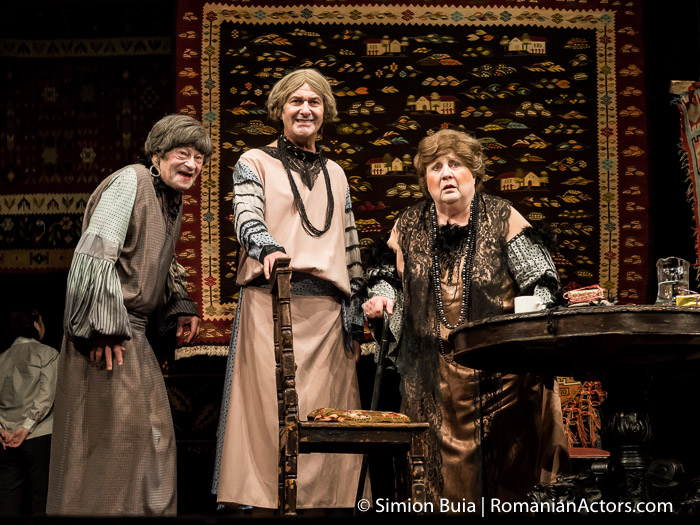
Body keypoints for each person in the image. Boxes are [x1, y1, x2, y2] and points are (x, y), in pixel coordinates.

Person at [363, 129, 570, 508]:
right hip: (429, 379)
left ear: (474, 173)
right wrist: (382, 299)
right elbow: (385, 278)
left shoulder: (502, 217)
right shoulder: (408, 225)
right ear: (425, 178)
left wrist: (531, 323)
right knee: (431, 484)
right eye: (435, 167)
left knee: (505, 482)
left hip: (502, 379)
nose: (446, 173)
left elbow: (542, 282)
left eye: (455, 164)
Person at [213, 69, 365, 510]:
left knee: (329, 420)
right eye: (296, 101)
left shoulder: (336, 173)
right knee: (267, 417)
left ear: (325, 112)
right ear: (279, 110)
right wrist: (268, 248)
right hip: (270, 304)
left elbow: (350, 244)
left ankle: (328, 509)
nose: (305, 109)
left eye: (314, 102)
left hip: (328, 316)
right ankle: (263, 507)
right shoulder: (254, 161)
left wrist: (355, 313)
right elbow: (246, 215)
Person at [47, 114, 211, 516]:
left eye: (199, 158)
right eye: (182, 154)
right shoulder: (130, 182)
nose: (192, 164)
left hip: (131, 334)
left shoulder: (168, 198)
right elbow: (95, 253)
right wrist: (101, 328)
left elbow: (159, 259)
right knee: (110, 441)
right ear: (157, 156)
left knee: (151, 438)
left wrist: (180, 302)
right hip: (107, 334)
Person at [0, 307, 58, 516]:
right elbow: (46, 395)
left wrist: (2, 429)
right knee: (41, 498)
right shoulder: (48, 353)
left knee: (8, 498)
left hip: (6, 438)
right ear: (34, 324)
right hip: (38, 435)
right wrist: (25, 427)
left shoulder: (2, 358)